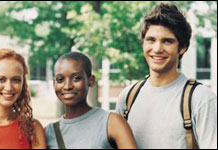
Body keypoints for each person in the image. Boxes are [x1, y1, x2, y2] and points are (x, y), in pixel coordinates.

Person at [116, 3, 217, 149]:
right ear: (143, 44)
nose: (157, 49)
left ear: (182, 48)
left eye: (167, 41)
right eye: (151, 40)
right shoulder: (128, 97)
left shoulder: (201, 99)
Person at [45, 52, 137, 149]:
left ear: (91, 80)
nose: (67, 86)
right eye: (60, 80)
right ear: (54, 83)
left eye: (76, 78)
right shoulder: (48, 132)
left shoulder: (111, 122)